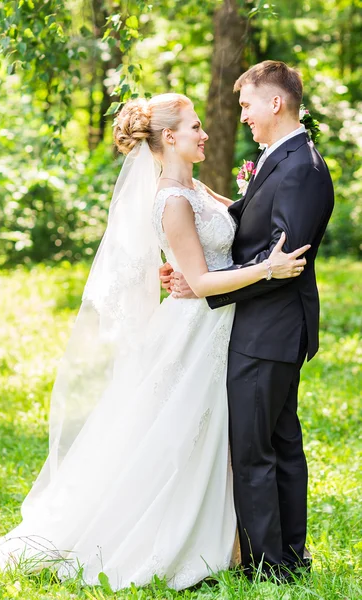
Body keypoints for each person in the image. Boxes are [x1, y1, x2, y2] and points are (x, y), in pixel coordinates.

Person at [0, 92, 308, 590]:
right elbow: (203, 283)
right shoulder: (171, 199)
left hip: (222, 325)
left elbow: (232, 230)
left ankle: (228, 541)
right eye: (195, 127)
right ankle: (173, 539)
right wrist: (266, 269)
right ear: (169, 137)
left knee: (217, 436)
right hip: (197, 329)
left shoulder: (197, 187)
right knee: (183, 435)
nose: (205, 134)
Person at [160, 62, 334, 580]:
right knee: (278, 440)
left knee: (256, 446)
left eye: (247, 106)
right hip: (269, 325)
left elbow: (286, 261)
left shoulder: (301, 166)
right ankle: (287, 556)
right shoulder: (282, 159)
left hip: (270, 326)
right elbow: (256, 216)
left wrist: (206, 284)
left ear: (275, 104)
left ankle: (268, 565)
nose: (243, 117)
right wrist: (210, 201)